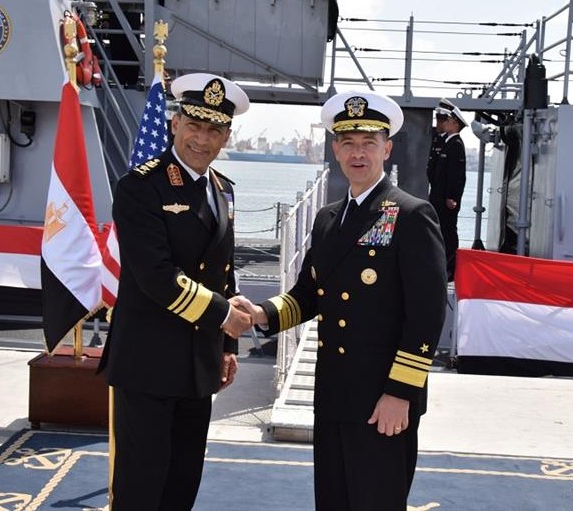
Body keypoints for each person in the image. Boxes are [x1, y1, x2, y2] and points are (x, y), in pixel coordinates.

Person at [233, 91, 448, 510]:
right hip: (333, 394)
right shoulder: (329, 217)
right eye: (348, 143)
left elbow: (427, 315)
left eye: (369, 143)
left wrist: (400, 393)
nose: (358, 153)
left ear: (387, 148)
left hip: (381, 399)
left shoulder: (411, 214)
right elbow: (308, 295)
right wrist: (262, 314)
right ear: (334, 149)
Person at [98, 72, 254, 511]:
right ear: (175, 124)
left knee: (181, 487)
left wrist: (226, 346)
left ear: (226, 136)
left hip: (198, 366)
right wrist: (224, 315)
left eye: (213, 130)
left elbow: (221, 269)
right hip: (148, 364)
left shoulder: (222, 190)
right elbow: (155, 276)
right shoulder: (140, 187)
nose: (201, 140)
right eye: (194, 126)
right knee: (141, 490)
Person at [426, 98, 468, 281]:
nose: (441, 123)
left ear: (454, 123)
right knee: (439, 229)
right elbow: (434, 170)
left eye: (445, 120)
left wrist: (452, 197)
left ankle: (451, 267)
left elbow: (458, 176)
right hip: (437, 195)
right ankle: (441, 263)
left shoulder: (456, 145)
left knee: (448, 231)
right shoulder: (445, 142)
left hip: (447, 199)